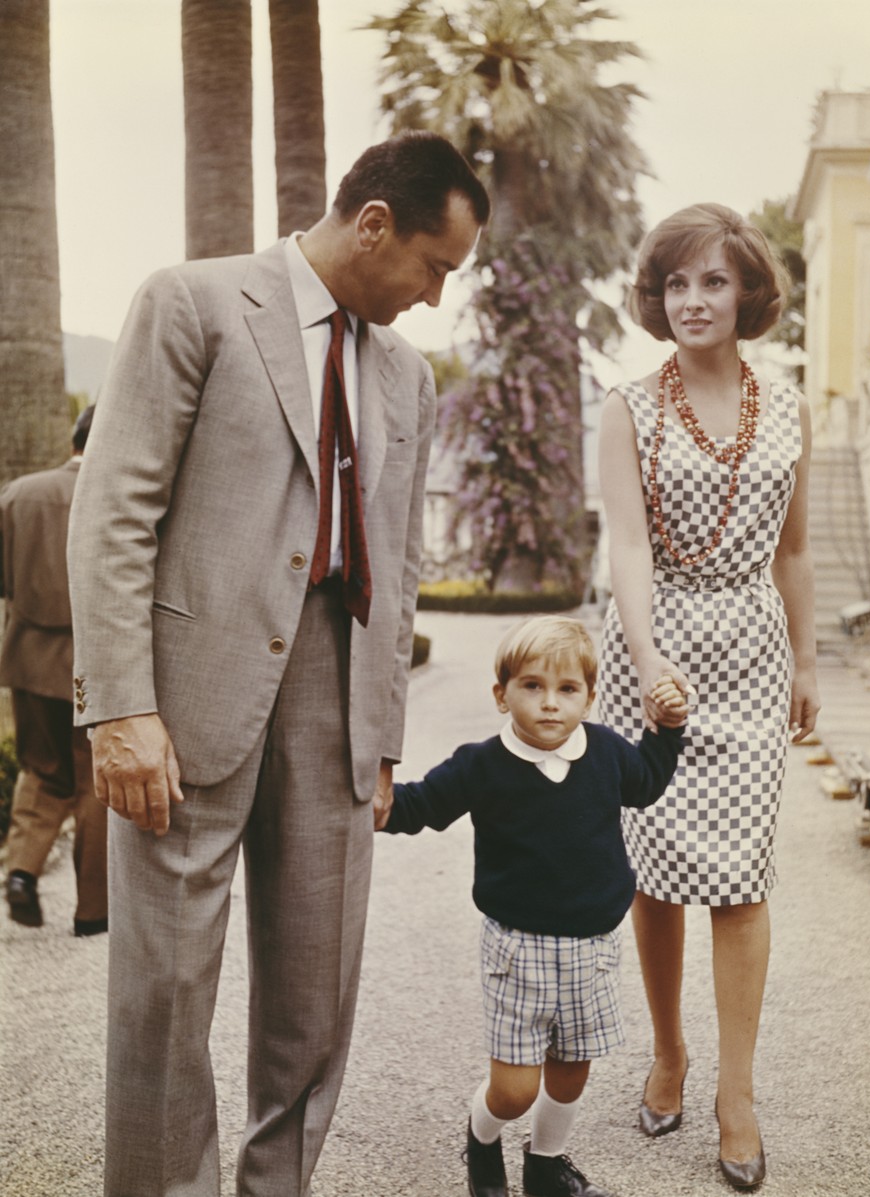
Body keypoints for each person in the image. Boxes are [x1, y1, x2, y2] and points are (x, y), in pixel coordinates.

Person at [66, 131, 490, 1197]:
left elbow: (400, 562)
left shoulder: (406, 375)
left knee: (316, 998)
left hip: (338, 696)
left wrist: (382, 737)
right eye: (434, 267)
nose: (435, 297)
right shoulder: (194, 304)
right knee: (165, 994)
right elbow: (113, 512)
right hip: (185, 694)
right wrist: (119, 707)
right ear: (375, 224)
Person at [596, 203, 820, 1191]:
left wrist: (807, 663)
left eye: (714, 281)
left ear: (747, 293)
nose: (693, 300)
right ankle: (668, 1051)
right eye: (676, 283)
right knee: (653, 866)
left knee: (740, 876)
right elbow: (628, 545)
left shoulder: (791, 409)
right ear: (658, 297)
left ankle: (737, 1091)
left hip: (752, 657)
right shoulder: (627, 407)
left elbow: (795, 551)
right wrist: (647, 660)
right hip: (656, 653)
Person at [379, 615, 686, 1197]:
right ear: (502, 695)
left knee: (570, 1074)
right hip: (518, 953)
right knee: (515, 1090)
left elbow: (647, 782)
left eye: (567, 689)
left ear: (589, 698)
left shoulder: (606, 752)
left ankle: (545, 1165)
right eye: (532, 686)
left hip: (593, 950)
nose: (550, 703)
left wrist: (667, 729)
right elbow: (422, 805)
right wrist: (379, 805)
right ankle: (482, 1137)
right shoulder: (480, 764)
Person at [1, 405, 107, 937]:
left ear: (73, 440)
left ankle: (21, 872)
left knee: (40, 769)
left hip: (29, 660)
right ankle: (93, 912)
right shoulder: (115, 495)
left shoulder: (19, 494)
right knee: (95, 783)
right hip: (98, 663)